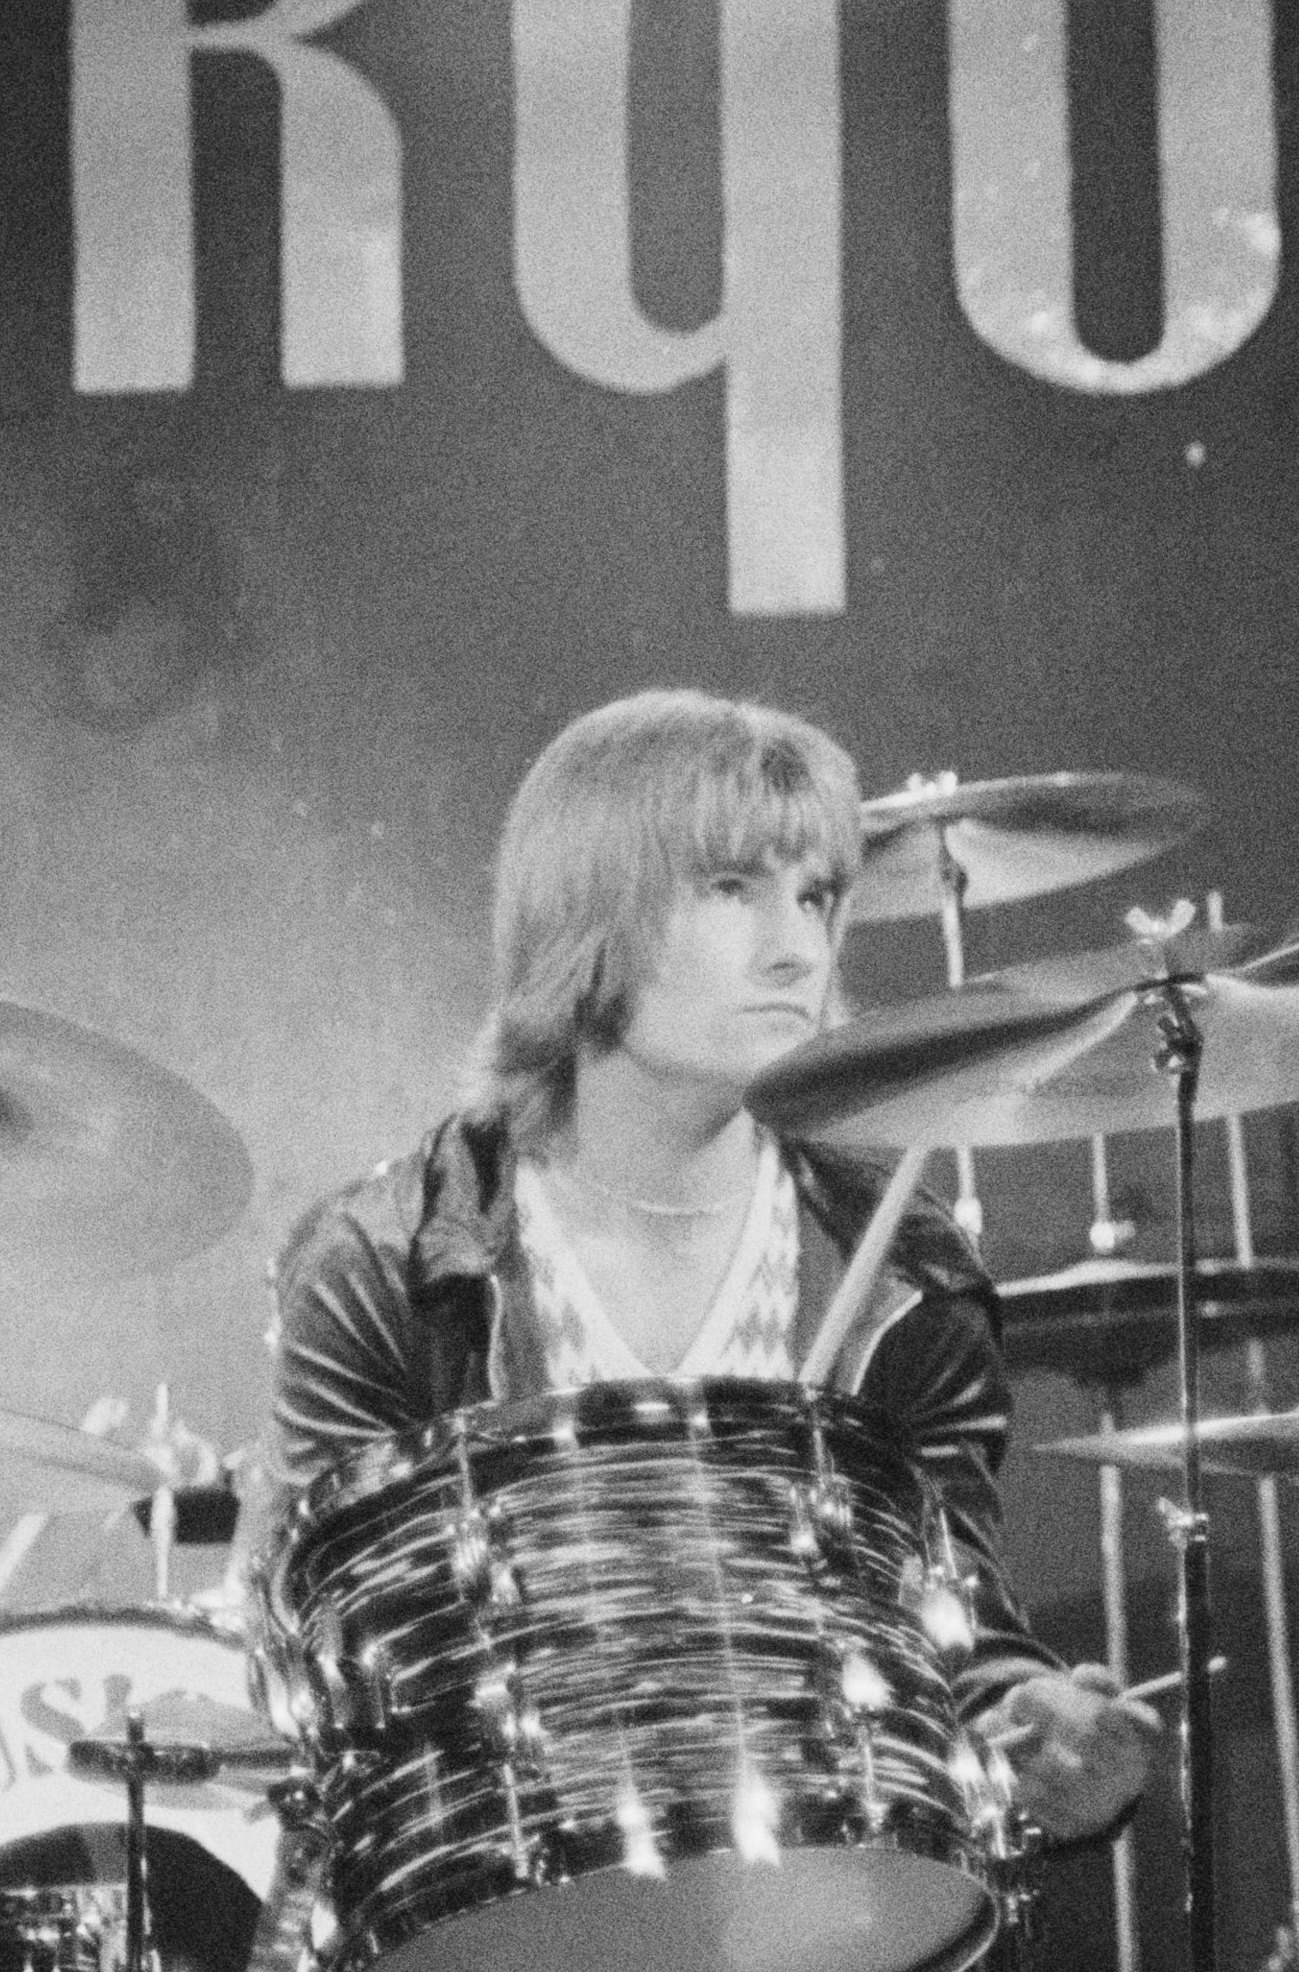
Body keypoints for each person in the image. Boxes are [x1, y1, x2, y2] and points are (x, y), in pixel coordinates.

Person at [266, 688, 1159, 1853]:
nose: (795, 946)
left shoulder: (909, 1280)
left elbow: (948, 1635)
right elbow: (329, 1664)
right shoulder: (388, 1265)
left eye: (817, 895)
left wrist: (1039, 1738)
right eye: (732, 888)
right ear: (586, 913)